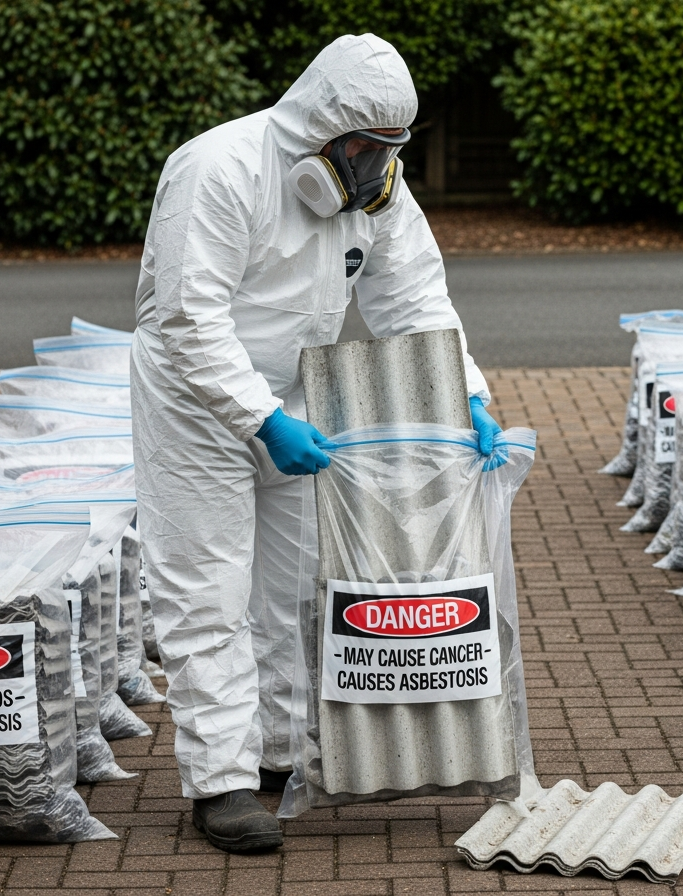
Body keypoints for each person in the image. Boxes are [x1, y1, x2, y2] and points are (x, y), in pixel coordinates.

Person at [129, 34, 503, 852]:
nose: (373, 167)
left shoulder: (380, 195)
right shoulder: (218, 168)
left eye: (388, 150)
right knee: (209, 592)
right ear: (319, 130)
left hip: (294, 397)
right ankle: (220, 785)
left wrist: (466, 395)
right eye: (362, 148)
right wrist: (258, 419)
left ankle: (274, 754)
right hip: (196, 403)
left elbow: (416, 300)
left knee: (295, 590)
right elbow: (188, 318)